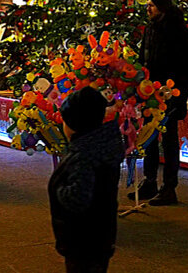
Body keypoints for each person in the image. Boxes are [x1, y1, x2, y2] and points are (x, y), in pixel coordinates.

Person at [48, 87, 124, 273]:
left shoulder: (84, 154)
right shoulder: (102, 146)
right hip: (101, 235)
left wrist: (59, 189)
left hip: (82, 239)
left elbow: (78, 197)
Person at [136, 0, 188, 206]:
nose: (148, 8)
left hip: (170, 93)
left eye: (151, 5)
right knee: (148, 136)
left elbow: (187, 64)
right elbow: (144, 57)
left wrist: (179, 94)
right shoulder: (151, 28)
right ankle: (149, 180)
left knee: (169, 139)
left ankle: (169, 187)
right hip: (150, 92)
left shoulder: (176, 30)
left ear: (161, 6)